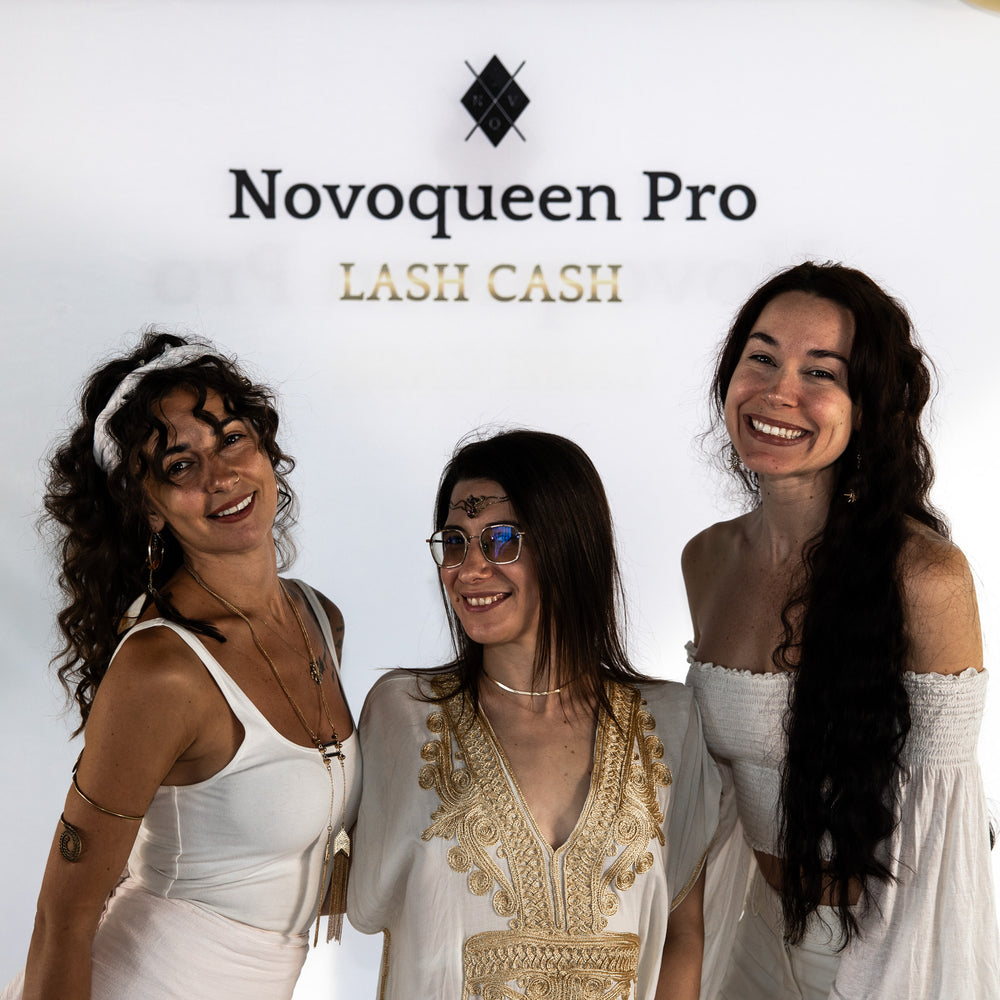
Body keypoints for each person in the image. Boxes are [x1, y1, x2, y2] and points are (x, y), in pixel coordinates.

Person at [3, 332, 360, 1000]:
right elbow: (63, 919)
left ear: (265, 448)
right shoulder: (162, 668)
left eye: (231, 439)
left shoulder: (318, 619)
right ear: (150, 509)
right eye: (179, 466)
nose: (220, 477)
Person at [683, 262, 1000, 998]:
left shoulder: (925, 575)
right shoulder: (706, 560)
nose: (778, 391)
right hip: (751, 937)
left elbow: (944, 839)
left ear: (869, 407)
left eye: (820, 372)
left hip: (887, 952)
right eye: (761, 358)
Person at [348, 429, 720, 1000]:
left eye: (501, 540)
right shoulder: (405, 716)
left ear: (567, 545)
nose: (469, 569)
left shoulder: (669, 724)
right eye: (455, 542)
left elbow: (681, 935)